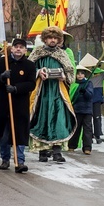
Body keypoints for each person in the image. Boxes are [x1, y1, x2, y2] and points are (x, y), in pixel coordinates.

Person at [0, 38, 37, 173]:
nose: (18, 49)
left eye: (21, 47)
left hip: (20, 104)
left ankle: (20, 161)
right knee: (4, 133)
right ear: (12, 48)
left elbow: (31, 84)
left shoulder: (30, 65)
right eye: (16, 46)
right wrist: (2, 77)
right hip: (3, 103)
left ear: (25, 50)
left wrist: (16, 88)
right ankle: (5, 158)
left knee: (19, 132)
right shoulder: (2, 62)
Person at [27, 26, 77, 163]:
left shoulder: (62, 54)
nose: (53, 40)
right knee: (41, 118)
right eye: (50, 38)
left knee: (58, 119)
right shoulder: (37, 52)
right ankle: (42, 151)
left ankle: (57, 151)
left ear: (59, 40)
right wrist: (38, 73)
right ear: (45, 39)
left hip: (58, 92)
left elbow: (70, 72)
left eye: (55, 38)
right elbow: (28, 69)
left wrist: (64, 77)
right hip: (41, 92)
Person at [68, 64, 94, 154]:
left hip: (87, 110)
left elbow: (90, 96)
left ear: (85, 75)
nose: (80, 75)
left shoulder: (88, 84)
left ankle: (87, 148)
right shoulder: (73, 84)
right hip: (76, 110)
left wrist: (85, 92)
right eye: (78, 73)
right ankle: (72, 145)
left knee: (87, 130)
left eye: (82, 73)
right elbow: (71, 95)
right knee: (75, 128)